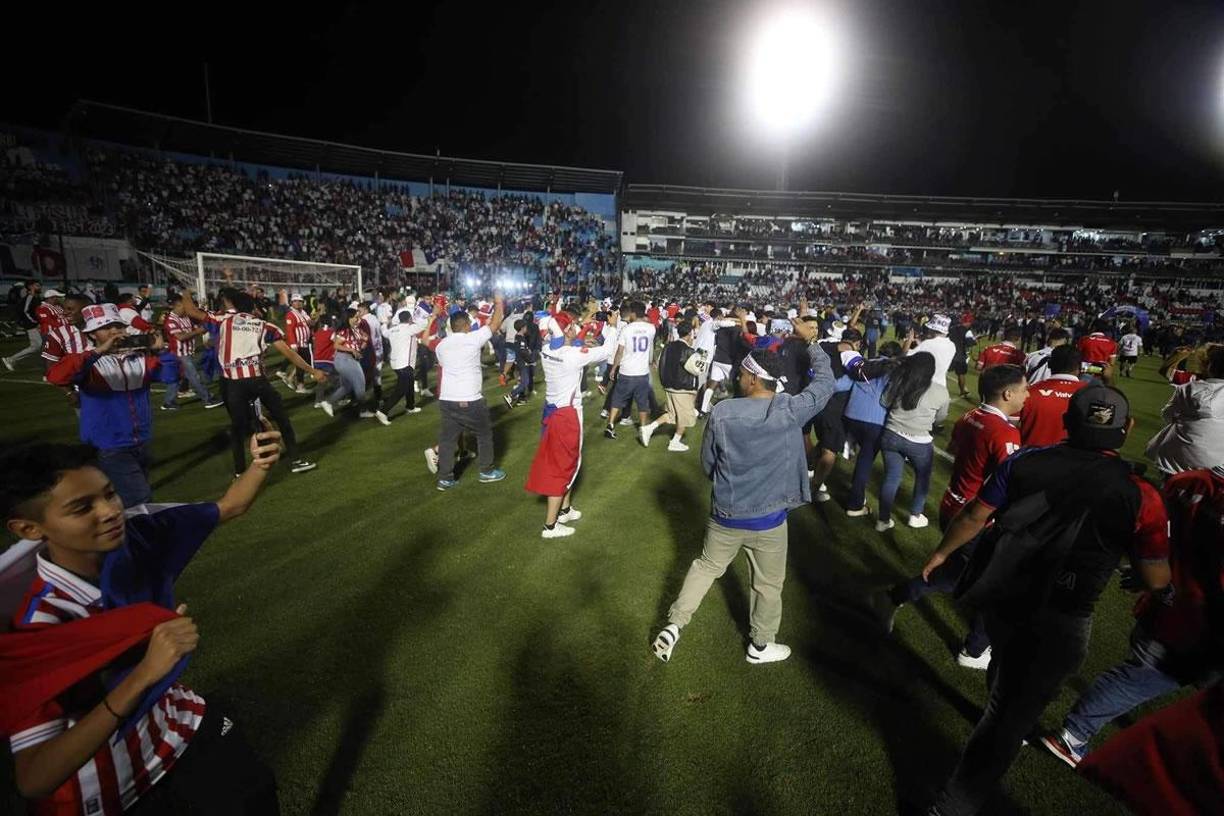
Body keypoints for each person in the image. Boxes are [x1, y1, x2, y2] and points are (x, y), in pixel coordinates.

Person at [0, 433, 284, 816]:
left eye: (109, 493)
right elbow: (35, 778)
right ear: (29, 530)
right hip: (116, 789)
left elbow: (229, 506)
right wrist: (146, 672)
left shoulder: (138, 536)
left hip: (178, 723)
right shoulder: (39, 626)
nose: (109, 511)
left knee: (256, 794)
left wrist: (261, 463)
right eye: (82, 507)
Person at [921, 386, 1170, 816]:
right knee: (1009, 719)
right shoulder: (1141, 493)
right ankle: (951, 807)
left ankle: (1000, 710)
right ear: (1126, 429)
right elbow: (1154, 576)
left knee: (1007, 681)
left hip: (1006, 594)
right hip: (1064, 614)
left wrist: (942, 553)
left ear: (1069, 422)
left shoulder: (1026, 460)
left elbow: (976, 515)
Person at [651, 326, 834, 665]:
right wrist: (812, 342)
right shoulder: (791, 409)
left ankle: (675, 624)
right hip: (770, 521)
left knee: (706, 566)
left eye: (744, 373)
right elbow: (825, 383)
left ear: (754, 379)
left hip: (727, 513)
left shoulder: (722, 412)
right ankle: (760, 646)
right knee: (767, 585)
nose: (738, 377)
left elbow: (708, 464)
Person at [1040, 463, 1224, 768]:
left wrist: (1146, 573)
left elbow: (1155, 534)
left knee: (1143, 674)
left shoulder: (1186, 481)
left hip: (1165, 601)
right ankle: (1073, 735)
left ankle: (1073, 735)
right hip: (1202, 623)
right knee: (1150, 677)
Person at [876, 364, 1028, 665]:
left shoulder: (970, 417)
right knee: (993, 584)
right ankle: (974, 650)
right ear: (1008, 393)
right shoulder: (1005, 433)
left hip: (953, 505)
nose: (1027, 395)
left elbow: (958, 450)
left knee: (957, 573)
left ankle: (895, 596)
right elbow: (1010, 480)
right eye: (1024, 389)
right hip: (975, 518)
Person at [180, 290, 324, 476]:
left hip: (234, 384)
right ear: (253, 308)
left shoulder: (223, 320)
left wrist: (185, 292)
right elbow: (289, 353)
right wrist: (313, 371)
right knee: (282, 419)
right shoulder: (265, 326)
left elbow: (191, 311)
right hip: (258, 381)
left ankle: (240, 472)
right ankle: (295, 460)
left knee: (238, 429)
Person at [46, 304, 165, 508]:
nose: (115, 331)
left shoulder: (138, 358)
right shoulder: (89, 362)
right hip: (109, 446)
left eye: (118, 325)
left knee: (124, 500)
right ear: (92, 335)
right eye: (106, 327)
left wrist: (159, 351)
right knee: (140, 500)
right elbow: (56, 375)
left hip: (141, 440)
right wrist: (99, 351)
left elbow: (171, 375)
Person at [525, 307, 620, 538]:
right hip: (566, 415)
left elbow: (570, 342)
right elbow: (608, 350)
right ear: (565, 330)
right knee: (565, 466)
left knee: (560, 461)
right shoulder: (572, 356)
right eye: (570, 326)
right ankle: (550, 526)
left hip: (551, 411)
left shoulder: (547, 348)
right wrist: (613, 325)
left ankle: (565, 510)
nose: (573, 328)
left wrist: (585, 327)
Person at [431, 295, 506, 490]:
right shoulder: (472, 338)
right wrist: (499, 302)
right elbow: (496, 323)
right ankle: (487, 471)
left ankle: (445, 478)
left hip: (447, 399)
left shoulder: (441, 345)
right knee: (483, 434)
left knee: (447, 440)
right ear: (465, 326)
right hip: (470, 399)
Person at [874, 352, 944, 532]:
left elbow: (884, 401)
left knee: (892, 477)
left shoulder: (899, 381)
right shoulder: (939, 391)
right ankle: (915, 515)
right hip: (919, 442)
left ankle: (883, 520)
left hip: (891, 435)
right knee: (922, 478)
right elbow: (940, 418)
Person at [1145, 344, 1224, 475]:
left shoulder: (1192, 384)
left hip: (1176, 458)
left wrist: (1177, 356)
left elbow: (1168, 415)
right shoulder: (1196, 379)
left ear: (1208, 364)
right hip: (1216, 463)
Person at [640, 319, 700, 451]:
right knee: (684, 417)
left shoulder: (668, 346)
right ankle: (675, 442)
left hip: (668, 386)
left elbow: (661, 364)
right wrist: (702, 356)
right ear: (690, 334)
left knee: (672, 415)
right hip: (682, 388)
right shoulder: (688, 350)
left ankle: (649, 428)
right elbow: (698, 369)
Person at [161, 293, 223, 411]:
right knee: (194, 377)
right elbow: (180, 337)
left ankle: (168, 402)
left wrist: (204, 328)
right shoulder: (170, 320)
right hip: (180, 354)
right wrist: (198, 331)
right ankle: (207, 399)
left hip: (188, 352)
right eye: (185, 305)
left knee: (178, 378)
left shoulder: (185, 317)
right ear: (178, 305)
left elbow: (198, 326)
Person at [604, 301, 657, 438]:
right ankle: (644, 430)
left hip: (626, 371)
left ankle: (610, 425)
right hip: (642, 372)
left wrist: (613, 368)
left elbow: (620, 352)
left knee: (617, 398)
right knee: (642, 402)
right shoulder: (651, 328)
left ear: (633, 313)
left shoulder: (626, 329)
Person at [1019, 346, 1086, 447]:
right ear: (1080, 367)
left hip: (1033, 458)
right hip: (1077, 460)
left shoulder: (1027, 392)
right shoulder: (1093, 394)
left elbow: (1010, 425)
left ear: (1049, 364)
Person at [319, 309, 376, 420]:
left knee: (347, 386)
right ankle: (362, 410)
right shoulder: (345, 330)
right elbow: (336, 345)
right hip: (344, 359)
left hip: (349, 359)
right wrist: (351, 350)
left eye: (358, 317)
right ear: (348, 318)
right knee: (360, 384)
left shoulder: (356, 330)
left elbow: (360, 346)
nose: (357, 319)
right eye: (355, 317)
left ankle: (328, 402)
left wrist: (364, 341)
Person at [375, 310, 430, 424]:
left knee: (409, 383)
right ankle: (383, 411)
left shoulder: (393, 329)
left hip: (395, 363)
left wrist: (385, 323)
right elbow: (425, 324)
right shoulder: (409, 328)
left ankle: (410, 406)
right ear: (409, 319)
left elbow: (384, 331)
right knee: (401, 389)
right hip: (405, 363)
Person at [3, 279, 42, 372]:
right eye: (37, 285)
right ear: (30, 287)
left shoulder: (36, 298)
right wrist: (35, 323)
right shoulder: (30, 297)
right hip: (32, 326)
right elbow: (25, 311)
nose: (40, 287)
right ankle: (11, 359)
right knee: (36, 346)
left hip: (37, 325)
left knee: (44, 344)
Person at [279, 293, 314, 393]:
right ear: (291, 303)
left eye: (300, 301)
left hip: (305, 343)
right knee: (301, 364)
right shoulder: (291, 314)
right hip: (298, 344)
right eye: (295, 301)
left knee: (303, 363)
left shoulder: (303, 312)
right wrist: (293, 344)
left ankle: (290, 378)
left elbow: (310, 323)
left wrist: (315, 318)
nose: (298, 303)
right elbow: (290, 330)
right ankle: (299, 385)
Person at [1078, 318, 1119, 385]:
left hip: (1085, 372)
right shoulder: (1112, 343)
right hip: (1102, 375)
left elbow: (1076, 357)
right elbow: (1111, 363)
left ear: (1094, 327)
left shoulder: (1084, 340)